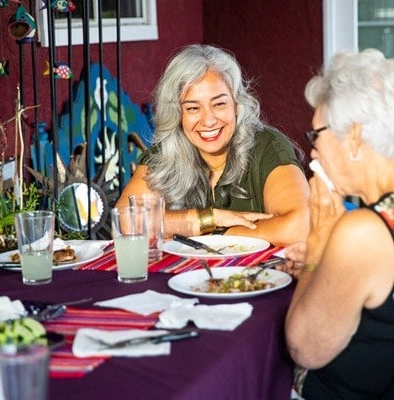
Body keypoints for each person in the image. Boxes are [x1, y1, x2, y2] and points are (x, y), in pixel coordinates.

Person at [116, 44, 309, 246]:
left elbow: (300, 227)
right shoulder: (164, 155)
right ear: (177, 114)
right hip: (182, 277)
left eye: (219, 104)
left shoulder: (267, 146)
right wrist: (210, 219)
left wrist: (218, 236)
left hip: (251, 276)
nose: (208, 120)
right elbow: (125, 224)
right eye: (192, 108)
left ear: (236, 105)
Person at [284, 48, 394, 399]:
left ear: (354, 136)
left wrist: (319, 237)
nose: (313, 151)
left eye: (316, 134)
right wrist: (321, 268)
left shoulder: (364, 231)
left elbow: (305, 348)